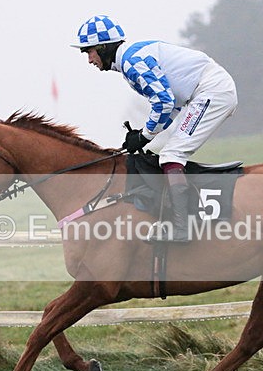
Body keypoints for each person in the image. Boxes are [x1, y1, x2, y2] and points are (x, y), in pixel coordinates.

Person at [71, 15, 238, 242]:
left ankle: (182, 228)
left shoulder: (132, 62)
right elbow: (172, 107)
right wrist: (144, 136)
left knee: (171, 154)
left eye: (89, 51)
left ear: (103, 47)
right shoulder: (130, 59)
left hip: (210, 91)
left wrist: (144, 135)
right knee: (170, 154)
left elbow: (164, 102)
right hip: (204, 92)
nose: (90, 59)